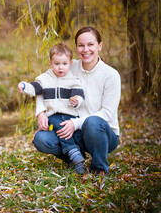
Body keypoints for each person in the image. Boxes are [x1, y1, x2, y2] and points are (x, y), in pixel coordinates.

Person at [33, 26, 121, 176]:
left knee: (93, 122)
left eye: (90, 44)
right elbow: (43, 85)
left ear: (100, 45)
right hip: (73, 131)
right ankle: (74, 157)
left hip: (103, 134)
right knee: (41, 139)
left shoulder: (111, 75)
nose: (85, 49)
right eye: (81, 45)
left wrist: (75, 124)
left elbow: (107, 113)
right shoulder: (68, 65)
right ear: (76, 48)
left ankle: (99, 167)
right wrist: (41, 112)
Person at [18, 43, 86, 174]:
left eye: (64, 64)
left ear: (70, 63)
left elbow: (79, 95)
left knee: (71, 131)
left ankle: (75, 159)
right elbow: (35, 88)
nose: (61, 67)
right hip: (53, 116)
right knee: (57, 122)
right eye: (57, 64)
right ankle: (73, 152)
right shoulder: (44, 79)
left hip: (70, 116)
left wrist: (76, 100)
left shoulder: (73, 79)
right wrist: (25, 86)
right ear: (50, 63)